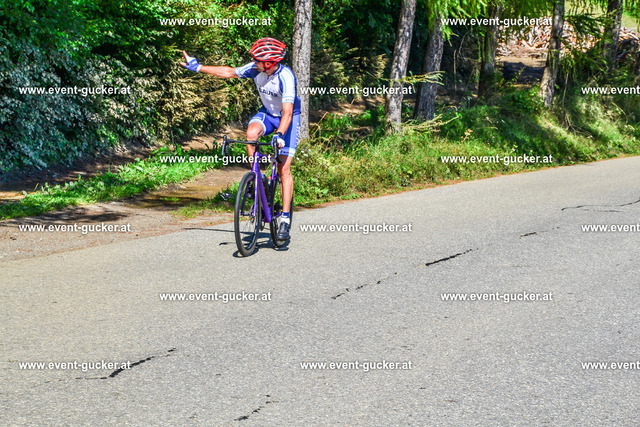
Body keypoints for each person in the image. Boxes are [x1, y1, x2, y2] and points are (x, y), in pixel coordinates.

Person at [180, 37, 300, 240]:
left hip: (288, 118)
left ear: (269, 63)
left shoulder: (286, 76)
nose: (254, 62)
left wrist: (279, 135)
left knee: (284, 168)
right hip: (268, 114)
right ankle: (257, 178)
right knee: (251, 133)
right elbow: (229, 72)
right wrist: (198, 67)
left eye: (258, 60)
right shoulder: (255, 69)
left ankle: (285, 219)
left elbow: (287, 113)